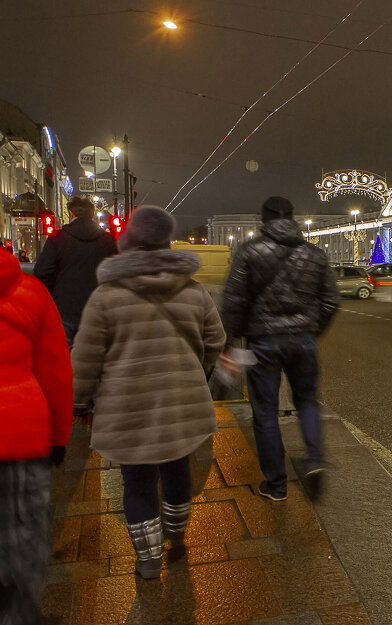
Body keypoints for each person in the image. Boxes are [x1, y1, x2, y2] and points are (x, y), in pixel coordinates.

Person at [71, 207, 226, 579]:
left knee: (137, 479)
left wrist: (80, 402)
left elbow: (86, 357)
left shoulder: (106, 296)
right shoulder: (193, 290)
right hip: (180, 401)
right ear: (166, 242)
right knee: (177, 466)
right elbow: (216, 340)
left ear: (129, 243)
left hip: (128, 406)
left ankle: (148, 559)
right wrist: (196, 375)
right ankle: (176, 534)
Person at [222, 197, 338, 503]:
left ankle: (276, 485)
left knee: (265, 413)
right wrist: (312, 331)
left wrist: (229, 343)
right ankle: (314, 460)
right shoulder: (314, 253)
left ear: (265, 219)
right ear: (292, 217)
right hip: (303, 340)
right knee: (308, 402)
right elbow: (330, 301)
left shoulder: (249, 251)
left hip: (263, 342)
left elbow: (233, 301)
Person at [0, 245, 72, 622]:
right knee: (23, 530)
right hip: (22, 431)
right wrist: (60, 435)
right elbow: (56, 370)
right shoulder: (30, 292)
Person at [33, 195, 119, 348]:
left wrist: (55, 293)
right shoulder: (108, 241)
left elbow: (41, 271)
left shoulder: (58, 239)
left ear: (71, 214)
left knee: (63, 355)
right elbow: (116, 274)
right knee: (93, 355)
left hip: (64, 308)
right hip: (98, 309)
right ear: (92, 214)